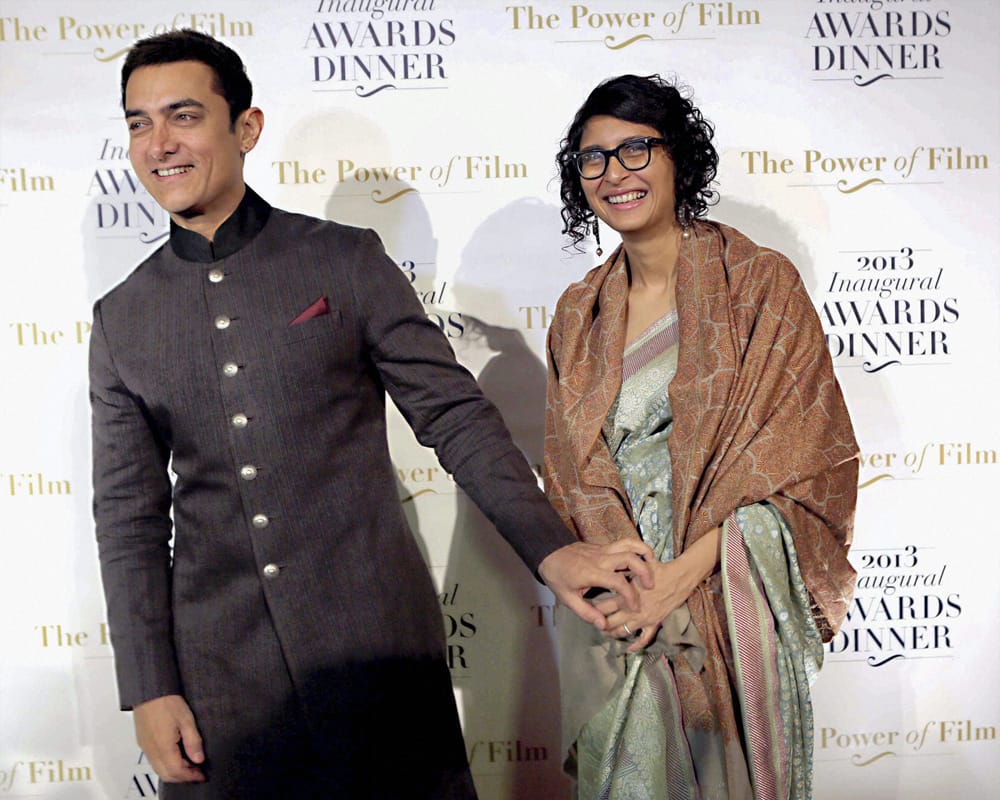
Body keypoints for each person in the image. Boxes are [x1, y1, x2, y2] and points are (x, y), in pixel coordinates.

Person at [89, 31, 654, 800]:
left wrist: (555, 555)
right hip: (223, 684)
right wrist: (150, 687)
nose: (160, 144)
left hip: (377, 654)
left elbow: (453, 416)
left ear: (245, 128)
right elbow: (128, 517)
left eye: (183, 116)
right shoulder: (122, 318)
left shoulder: (344, 261)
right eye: (138, 122)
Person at [544, 74, 859, 799]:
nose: (614, 174)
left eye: (634, 149)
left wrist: (676, 585)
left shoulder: (759, 288)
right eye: (592, 159)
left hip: (721, 598)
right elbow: (568, 473)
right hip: (614, 617)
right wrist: (631, 594)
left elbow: (806, 469)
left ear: (677, 156)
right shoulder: (577, 314)